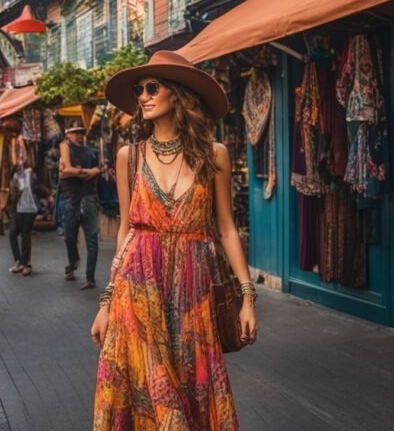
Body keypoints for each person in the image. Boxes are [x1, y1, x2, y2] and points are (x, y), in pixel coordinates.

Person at [91, 51, 258, 430]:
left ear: (178, 94)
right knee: (147, 397)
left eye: (153, 87)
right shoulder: (127, 157)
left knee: (192, 394)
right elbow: (126, 233)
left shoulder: (214, 156)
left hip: (193, 298)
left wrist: (247, 296)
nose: (144, 96)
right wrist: (107, 300)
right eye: (139, 90)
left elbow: (227, 228)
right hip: (136, 296)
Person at [58, 125, 101, 290]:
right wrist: (86, 172)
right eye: (76, 133)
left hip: (88, 198)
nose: (79, 136)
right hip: (71, 199)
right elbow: (64, 172)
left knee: (92, 239)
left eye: (82, 133)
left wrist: (91, 171)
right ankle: (73, 262)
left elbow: (97, 169)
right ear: (68, 134)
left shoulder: (89, 151)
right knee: (69, 236)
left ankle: (90, 277)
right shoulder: (65, 146)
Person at [6, 159, 42, 276]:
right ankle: (19, 261)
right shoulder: (15, 175)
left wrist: (32, 177)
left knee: (25, 234)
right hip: (19, 209)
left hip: (30, 208)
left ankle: (27, 264)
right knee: (12, 233)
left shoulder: (31, 174)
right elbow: (12, 192)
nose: (20, 161)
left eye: (22, 159)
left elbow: (37, 186)